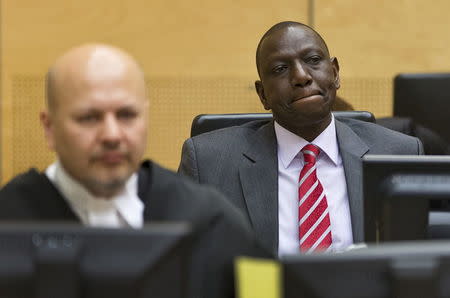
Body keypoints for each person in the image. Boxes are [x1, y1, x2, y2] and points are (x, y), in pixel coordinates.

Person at [0, 44, 267, 298]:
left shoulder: (209, 221)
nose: (112, 135)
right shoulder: (8, 217)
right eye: (89, 118)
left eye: (127, 115)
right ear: (49, 128)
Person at [178, 21, 423, 256]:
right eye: (280, 69)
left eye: (313, 60)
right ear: (262, 94)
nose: (301, 76)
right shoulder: (209, 163)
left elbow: (416, 264)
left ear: (335, 73)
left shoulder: (398, 153)